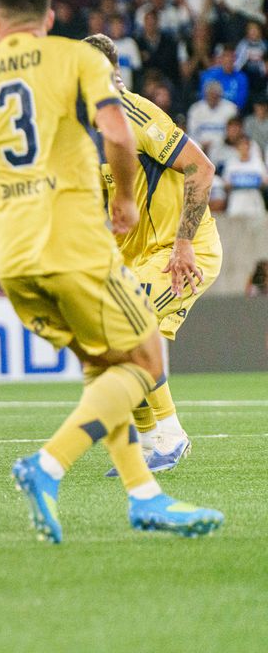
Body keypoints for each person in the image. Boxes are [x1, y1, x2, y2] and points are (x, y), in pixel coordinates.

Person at [0, 0, 222, 543]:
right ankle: (51, 463)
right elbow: (116, 135)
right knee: (141, 358)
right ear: (48, 19)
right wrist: (124, 204)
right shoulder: (71, 67)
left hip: (18, 257)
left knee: (107, 364)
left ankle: (145, 492)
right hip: (75, 251)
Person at [86, 31, 226, 475]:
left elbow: (201, 168)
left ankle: (171, 434)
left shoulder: (134, 114)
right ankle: (148, 442)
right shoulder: (90, 133)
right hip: (141, 258)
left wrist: (183, 244)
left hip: (185, 251)